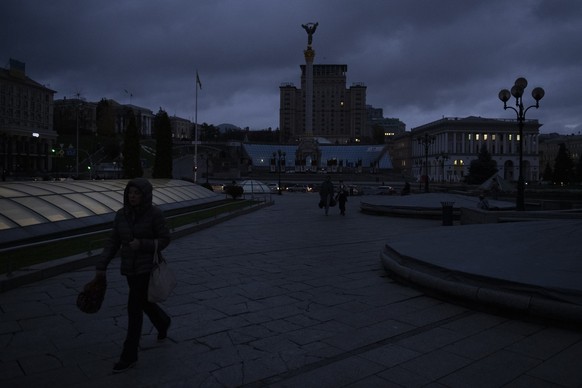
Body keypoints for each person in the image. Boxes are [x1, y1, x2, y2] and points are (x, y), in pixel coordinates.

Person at [95, 178, 172, 373]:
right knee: (145, 302)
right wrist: (101, 265)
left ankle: (129, 356)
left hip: (147, 268)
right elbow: (113, 241)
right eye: (130, 193)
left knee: (134, 308)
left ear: (144, 195)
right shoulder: (121, 215)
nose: (132, 196)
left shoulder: (155, 214)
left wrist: (143, 244)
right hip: (130, 269)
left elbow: (165, 239)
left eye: (136, 193)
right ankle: (163, 322)